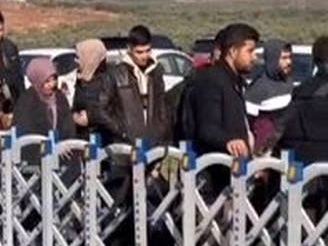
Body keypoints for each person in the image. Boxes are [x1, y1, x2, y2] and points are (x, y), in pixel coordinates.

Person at [186, 23, 259, 158]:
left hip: (238, 165)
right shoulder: (211, 80)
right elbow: (207, 129)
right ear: (233, 51)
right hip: (217, 165)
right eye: (250, 51)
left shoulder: (236, 82)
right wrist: (228, 142)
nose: (254, 57)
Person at [100, 24, 171, 146]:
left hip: (153, 142)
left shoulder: (156, 72)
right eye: (139, 52)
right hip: (125, 144)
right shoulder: (115, 74)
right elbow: (101, 109)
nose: (144, 56)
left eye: (148, 51)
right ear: (129, 49)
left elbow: (162, 105)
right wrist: (121, 131)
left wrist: (161, 131)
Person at [280, 36, 328, 164]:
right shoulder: (303, 92)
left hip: (304, 163)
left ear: (315, 61)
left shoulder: (302, 92)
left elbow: (286, 131)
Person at [246, 39, 295, 155]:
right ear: (273, 59)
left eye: (290, 57)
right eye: (284, 58)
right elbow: (248, 124)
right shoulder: (258, 88)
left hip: (287, 149)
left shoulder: (289, 83)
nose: (289, 62)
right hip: (264, 153)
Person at [71, 38, 108, 140]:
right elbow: (76, 106)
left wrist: (90, 118)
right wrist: (74, 116)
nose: (75, 61)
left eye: (78, 57)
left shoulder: (107, 82)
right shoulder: (81, 80)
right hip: (82, 139)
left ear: (90, 57)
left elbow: (110, 112)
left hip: (102, 139)